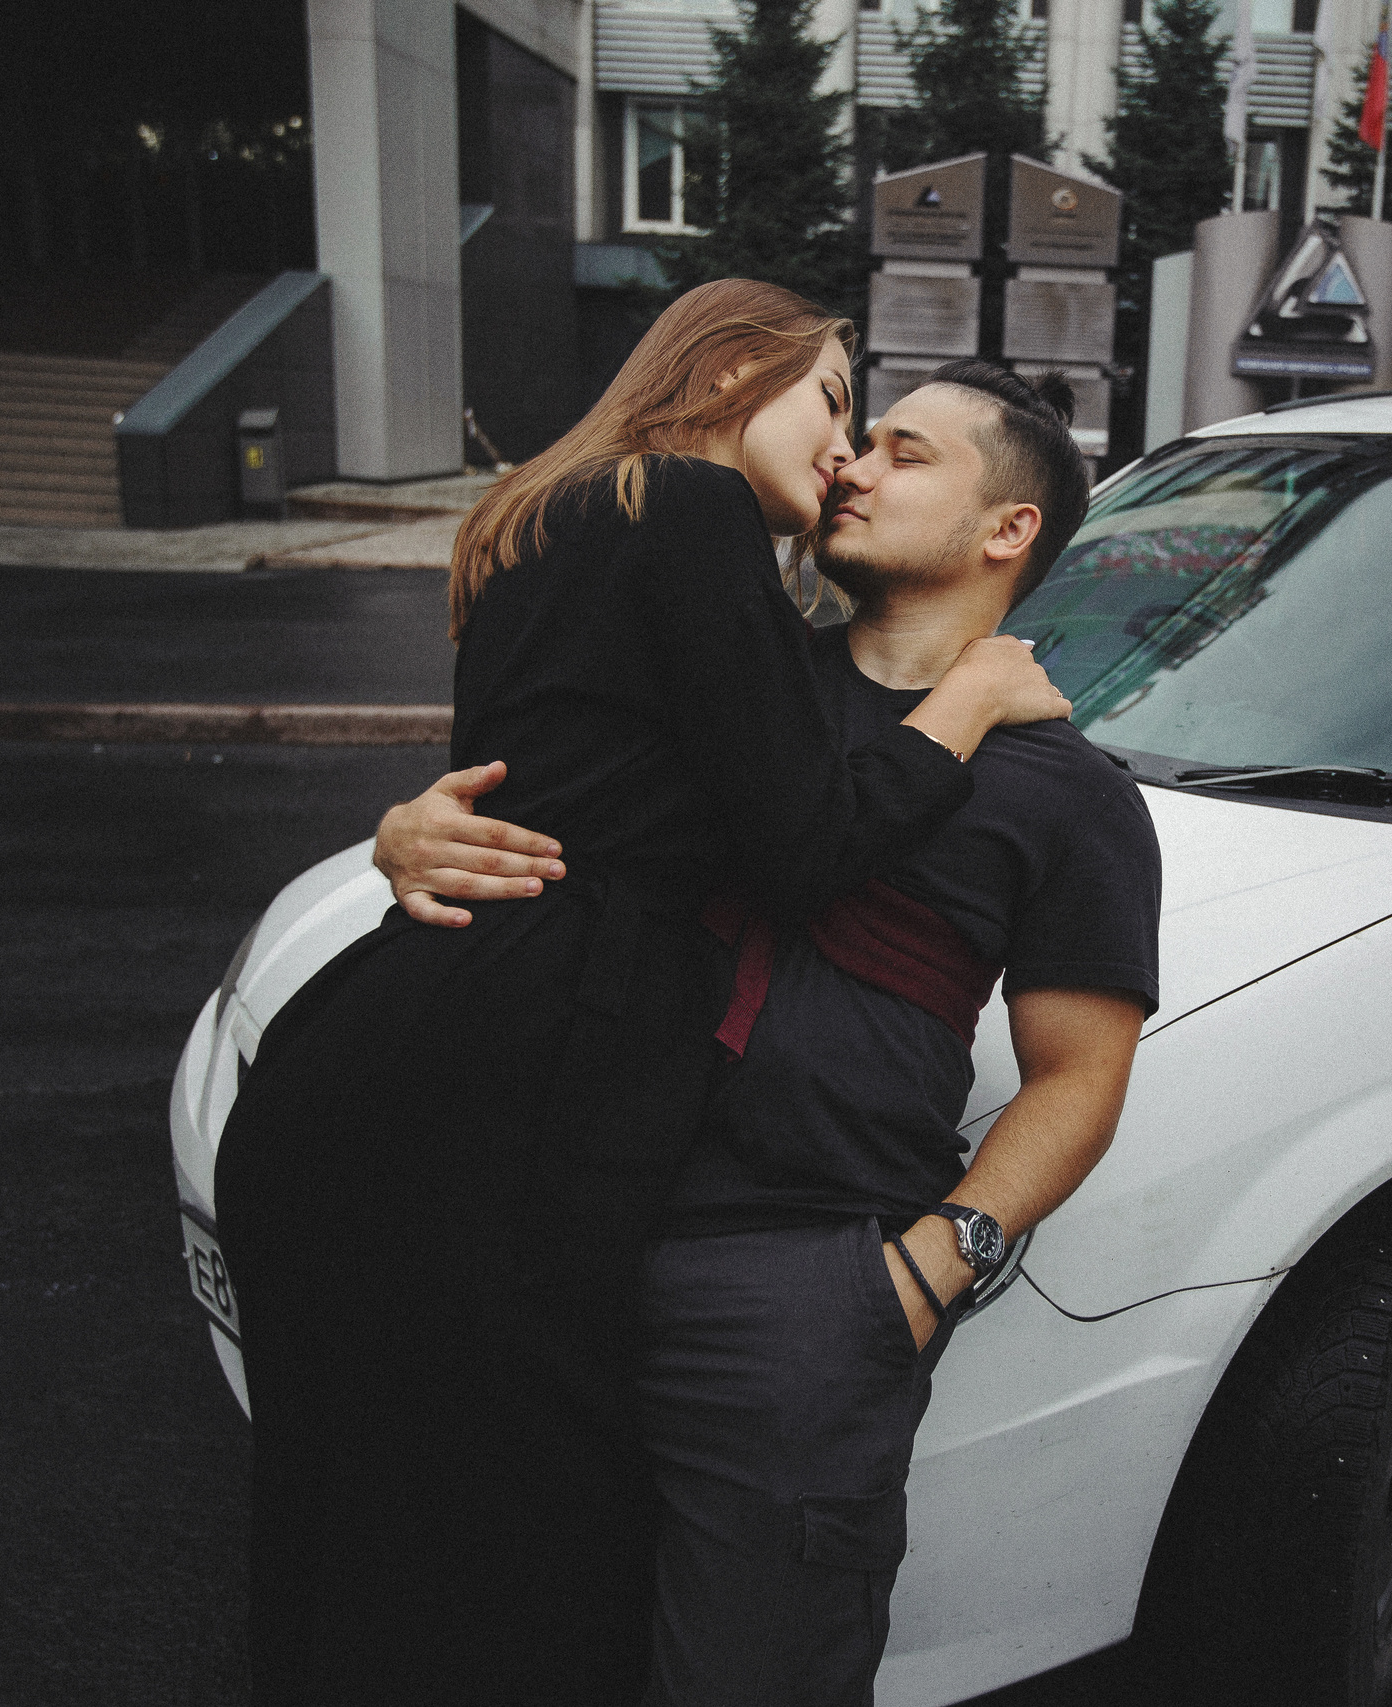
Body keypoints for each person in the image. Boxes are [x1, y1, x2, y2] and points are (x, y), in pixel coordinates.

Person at [211, 285, 1070, 1707]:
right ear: (736, 368)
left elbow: (564, 780)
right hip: (517, 1075)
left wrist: (397, 827)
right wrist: (970, 700)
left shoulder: (546, 519)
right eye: (836, 401)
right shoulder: (686, 509)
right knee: (511, 1539)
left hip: (390, 1040)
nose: (848, 452)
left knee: (355, 1510)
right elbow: (803, 843)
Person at [372, 363, 1161, 1705]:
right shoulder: (716, 681)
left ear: (1006, 531)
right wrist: (409, 835)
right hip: (554, 1235)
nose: (849, 466)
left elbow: (1080, 1076)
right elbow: (544, 821)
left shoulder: (1071, 798)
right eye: (858, 443)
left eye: (903, 454)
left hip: (791, 1286)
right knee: (516, 1646)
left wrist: (927, 1271)